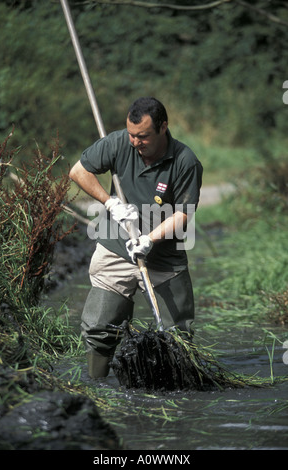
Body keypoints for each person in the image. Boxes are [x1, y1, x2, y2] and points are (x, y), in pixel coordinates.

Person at [69, 97, 203, 379]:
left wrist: (149, 239)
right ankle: (98, 389)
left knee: (178, 335)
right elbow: (78, 172)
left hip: (163, 257)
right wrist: (110, 203)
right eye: (131, 134)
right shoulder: (118, 143)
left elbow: (183, 215)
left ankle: (180, 395)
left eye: (142, 136)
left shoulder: (185, 161)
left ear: (163, 127)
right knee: (98, 327)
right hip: (116, 248)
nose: (135, 142)